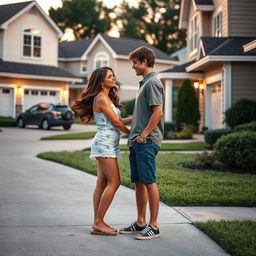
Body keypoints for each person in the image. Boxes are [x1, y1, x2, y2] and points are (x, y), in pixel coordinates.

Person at [72, 67, 130, 236]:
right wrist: (134, 134)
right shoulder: (101, 99)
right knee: (115, 182)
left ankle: (97, 223)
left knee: (102, 183)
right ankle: (99, 222)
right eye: (109, 76)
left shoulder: (106, 98)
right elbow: (117, 124)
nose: (113, 78)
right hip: (104, 143)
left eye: (113, 75)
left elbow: (118, 120)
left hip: (107, 143)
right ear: (101, 81)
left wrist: (136, 118)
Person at [119, 46, 164, 240]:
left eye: (135, 63)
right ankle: (140, 222)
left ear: (144, 61)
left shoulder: (153, 82)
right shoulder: (145, 83)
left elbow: (158, 112)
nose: (133, 67)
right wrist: (118, 120)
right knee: (139, 183)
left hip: (146, 141)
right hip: (137, 142)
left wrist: (144, 134)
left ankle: (153, 226)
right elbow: (140, 115)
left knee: (148, 182)